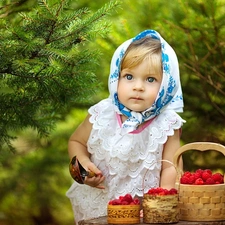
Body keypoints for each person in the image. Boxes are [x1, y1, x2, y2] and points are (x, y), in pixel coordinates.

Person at [66, 29, 185, 224]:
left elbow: (171, 167)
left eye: (150, 79)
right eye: (129, 77)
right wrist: (82, 170)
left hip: (143, 212)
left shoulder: (167, 123)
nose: (138, 87)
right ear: (116, 77)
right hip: (96, 207)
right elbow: (76, 142)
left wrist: (161, 203)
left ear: (166, 86)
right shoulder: (102, 113)